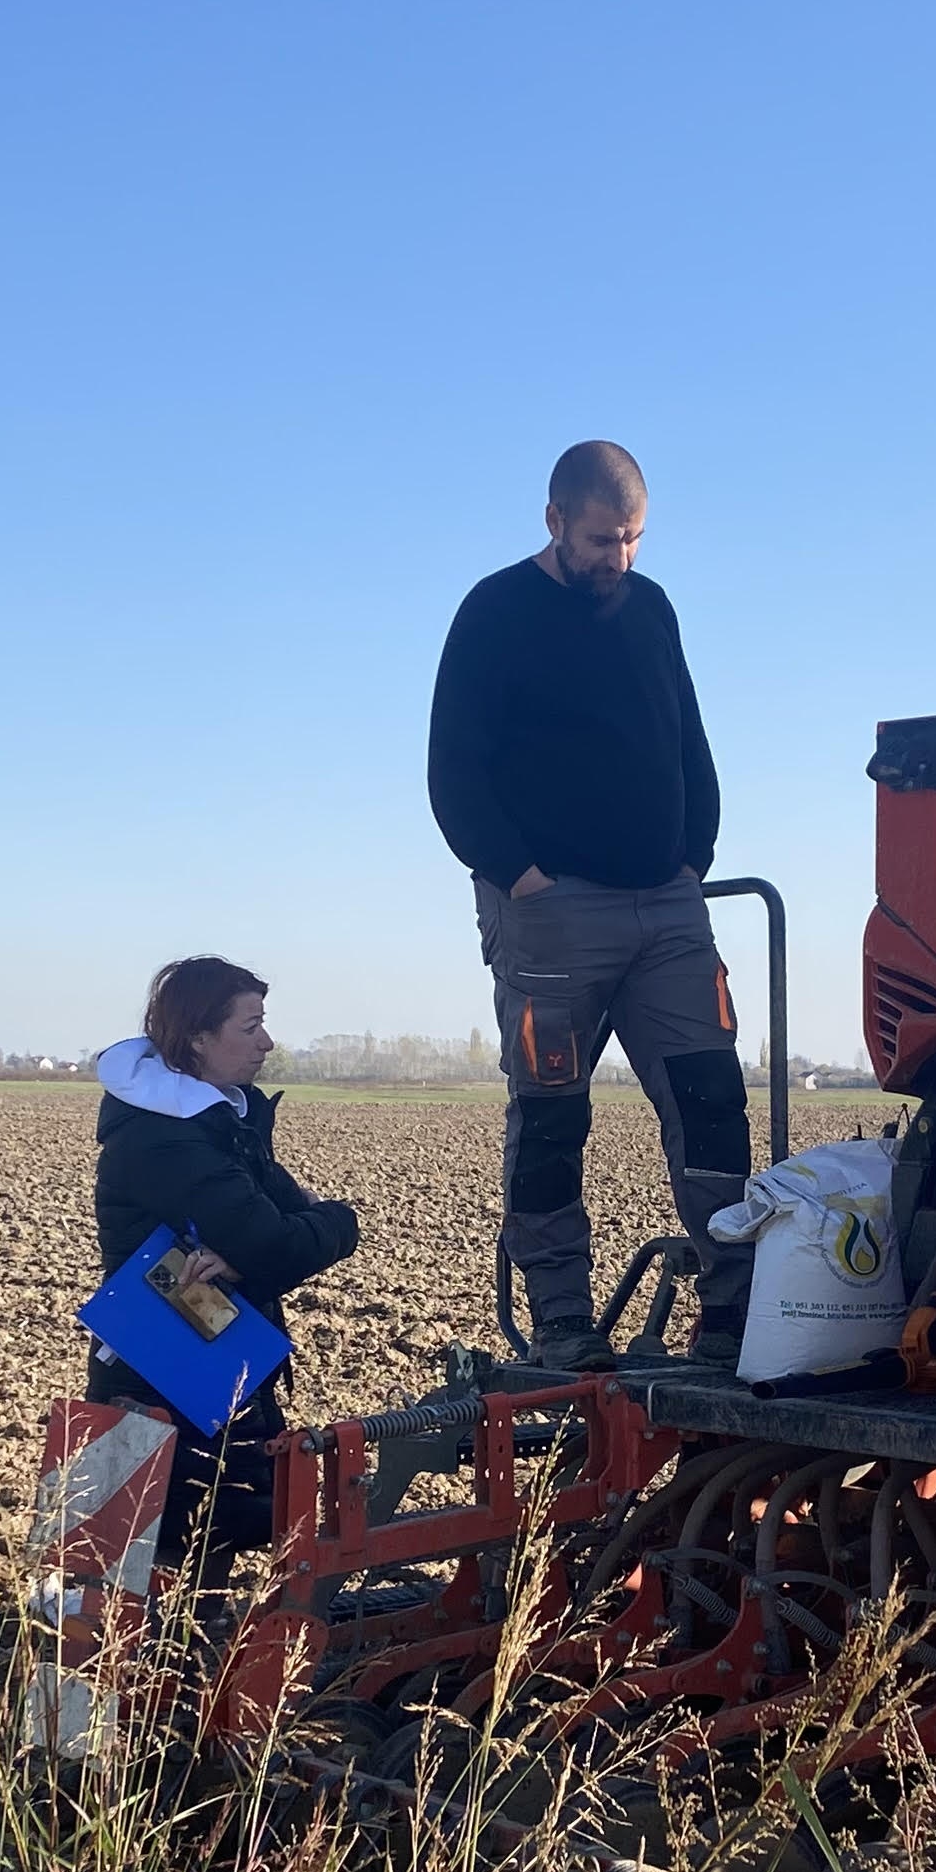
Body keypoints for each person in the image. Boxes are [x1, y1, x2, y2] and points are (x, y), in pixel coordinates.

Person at [426, 438, 753, 1368]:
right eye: (604, 539)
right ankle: (564, 1318)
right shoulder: (493, 613)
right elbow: (454, 767)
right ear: (555, 521)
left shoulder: (651, 610)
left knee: (712, 1098)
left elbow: (688, 737)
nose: (620, 558)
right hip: (553, 914)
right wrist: (518, 874)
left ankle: (729, 1308)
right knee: (554, 1111)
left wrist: (697, 857)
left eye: (634, 539)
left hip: (669, 909)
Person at [90, 956, 360, 1570]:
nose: (267, 1042)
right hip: (155, 1381)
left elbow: (292, 1230)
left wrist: (321, 1226)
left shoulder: (223, 1120)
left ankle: (191, 1656)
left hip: (219, 1363)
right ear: (197, 1038)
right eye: (251, 1026)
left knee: (223, 1534)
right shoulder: (166, 1136)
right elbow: (278, 1241)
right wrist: (325, 1225)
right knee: (109, 1573)